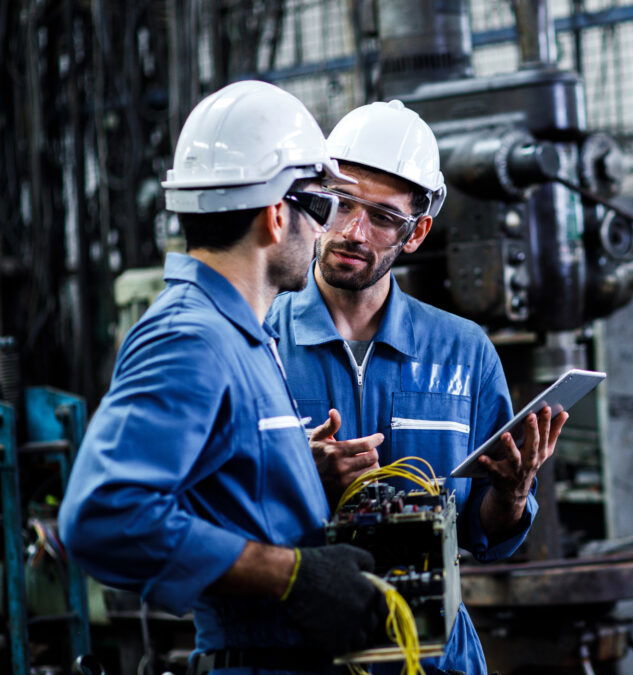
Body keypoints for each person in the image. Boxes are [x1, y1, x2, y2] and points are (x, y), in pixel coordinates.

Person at [59, 81, 388, 675]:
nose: (323, 231)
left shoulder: (244, 335)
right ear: (276, 213)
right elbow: (104, 515)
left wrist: (286, 467)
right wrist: (294, 574)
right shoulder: (193, 338)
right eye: (320, 207)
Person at [266, 100, 568, 675]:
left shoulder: (462, 351)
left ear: (416, 233)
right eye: (343, 204)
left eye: (382, 218)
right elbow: (219, 507)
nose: (354, 231)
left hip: (434, 655)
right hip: (303, 651)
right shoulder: (262, 339)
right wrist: (303, 476)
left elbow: (489, 534)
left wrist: (511, 491)